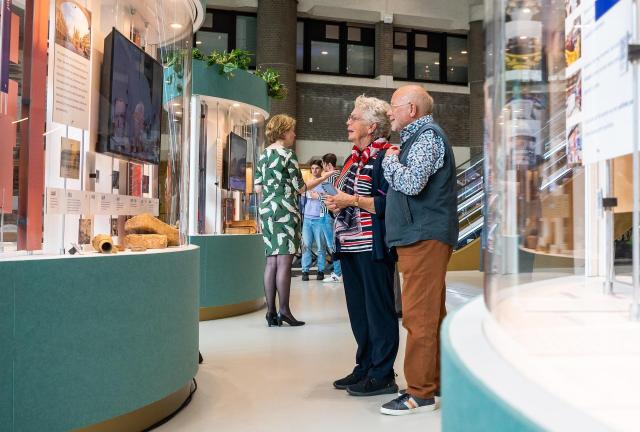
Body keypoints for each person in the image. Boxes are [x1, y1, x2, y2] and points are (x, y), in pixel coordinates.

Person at [379, 85, 458, 415]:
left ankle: (419, 393)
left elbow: (412, 183)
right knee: (431, 315)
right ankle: (433, 384)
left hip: (423, 236)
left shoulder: (426, 136)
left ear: (411, 109)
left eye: (394, 106)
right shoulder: (418, 137)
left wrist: (389, 163)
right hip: (420, 236)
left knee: (419, 317)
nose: (389, 112)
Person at [325, 95, 399, 397]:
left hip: (372, 246)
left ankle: (383, 374)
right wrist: (336, 203)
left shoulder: (387, 156)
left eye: (354, 117)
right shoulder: (352, 158)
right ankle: (365, 366)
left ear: (371, 126)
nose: (348, 122)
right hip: (350, 245)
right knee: (359, 311)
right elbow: (347, 195)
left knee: (379, 311)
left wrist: (350, 200)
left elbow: (389, 204)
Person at [254, 114, 335, 327]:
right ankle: (284, 311)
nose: (294, 134)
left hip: (267, 210)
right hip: (285, 210)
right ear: (283, 131)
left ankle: (270, 313)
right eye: (291, 130)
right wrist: (324, 177)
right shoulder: (288, 155)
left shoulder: (263, 155)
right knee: (284, 262)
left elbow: (257, 187)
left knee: (271, 261)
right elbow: (301, 188)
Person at [301, 160, 326, 281]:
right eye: (312, 168)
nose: (314, 170)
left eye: (317, 168)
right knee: (306, 245)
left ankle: (320, 270)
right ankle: (305, 271)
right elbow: (302, 198)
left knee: (321, 246)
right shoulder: (307, 183)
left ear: (321, 169)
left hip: (319, 219)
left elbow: (328, 198)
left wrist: (319, 195)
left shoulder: (325, 183)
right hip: (307, 218)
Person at [319, 153, 342, 283]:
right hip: (326, 213)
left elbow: (332, 195)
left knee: (332, 244)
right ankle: (337, 271)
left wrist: (319, 196)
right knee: (332, 244)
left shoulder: (332, 175)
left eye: (323, 165)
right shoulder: (337, 175)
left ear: (327, 164)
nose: (323, 167)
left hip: (328, 213)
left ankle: (337, 273)